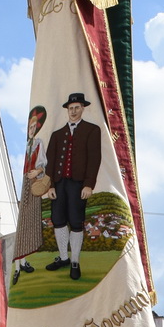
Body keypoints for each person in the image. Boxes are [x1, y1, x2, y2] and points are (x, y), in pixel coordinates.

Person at [43, 92, 103, 281]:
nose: (74, 111)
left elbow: (94, 159)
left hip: (78, 184)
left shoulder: (92, 130)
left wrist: (88, 185)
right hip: (59, 183)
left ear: (83, 108)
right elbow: (50, 162)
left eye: (77, 107)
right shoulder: (57, 135)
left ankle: (75, 261)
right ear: (67, 110)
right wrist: (50, 186)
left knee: (76, 221)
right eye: (71, 108)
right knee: (58, 219)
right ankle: (63, 258)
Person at [13, 104, 49, 273]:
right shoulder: (27, 145)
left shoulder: (38, 143)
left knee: (31, 221)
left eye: (34, 127)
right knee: (24, 222)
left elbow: (43, 163)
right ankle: (21, 261)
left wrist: (37, 171)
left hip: (33, 183)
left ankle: (25, 259)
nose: (31, 130)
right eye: (30, 127)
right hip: (25, 183)